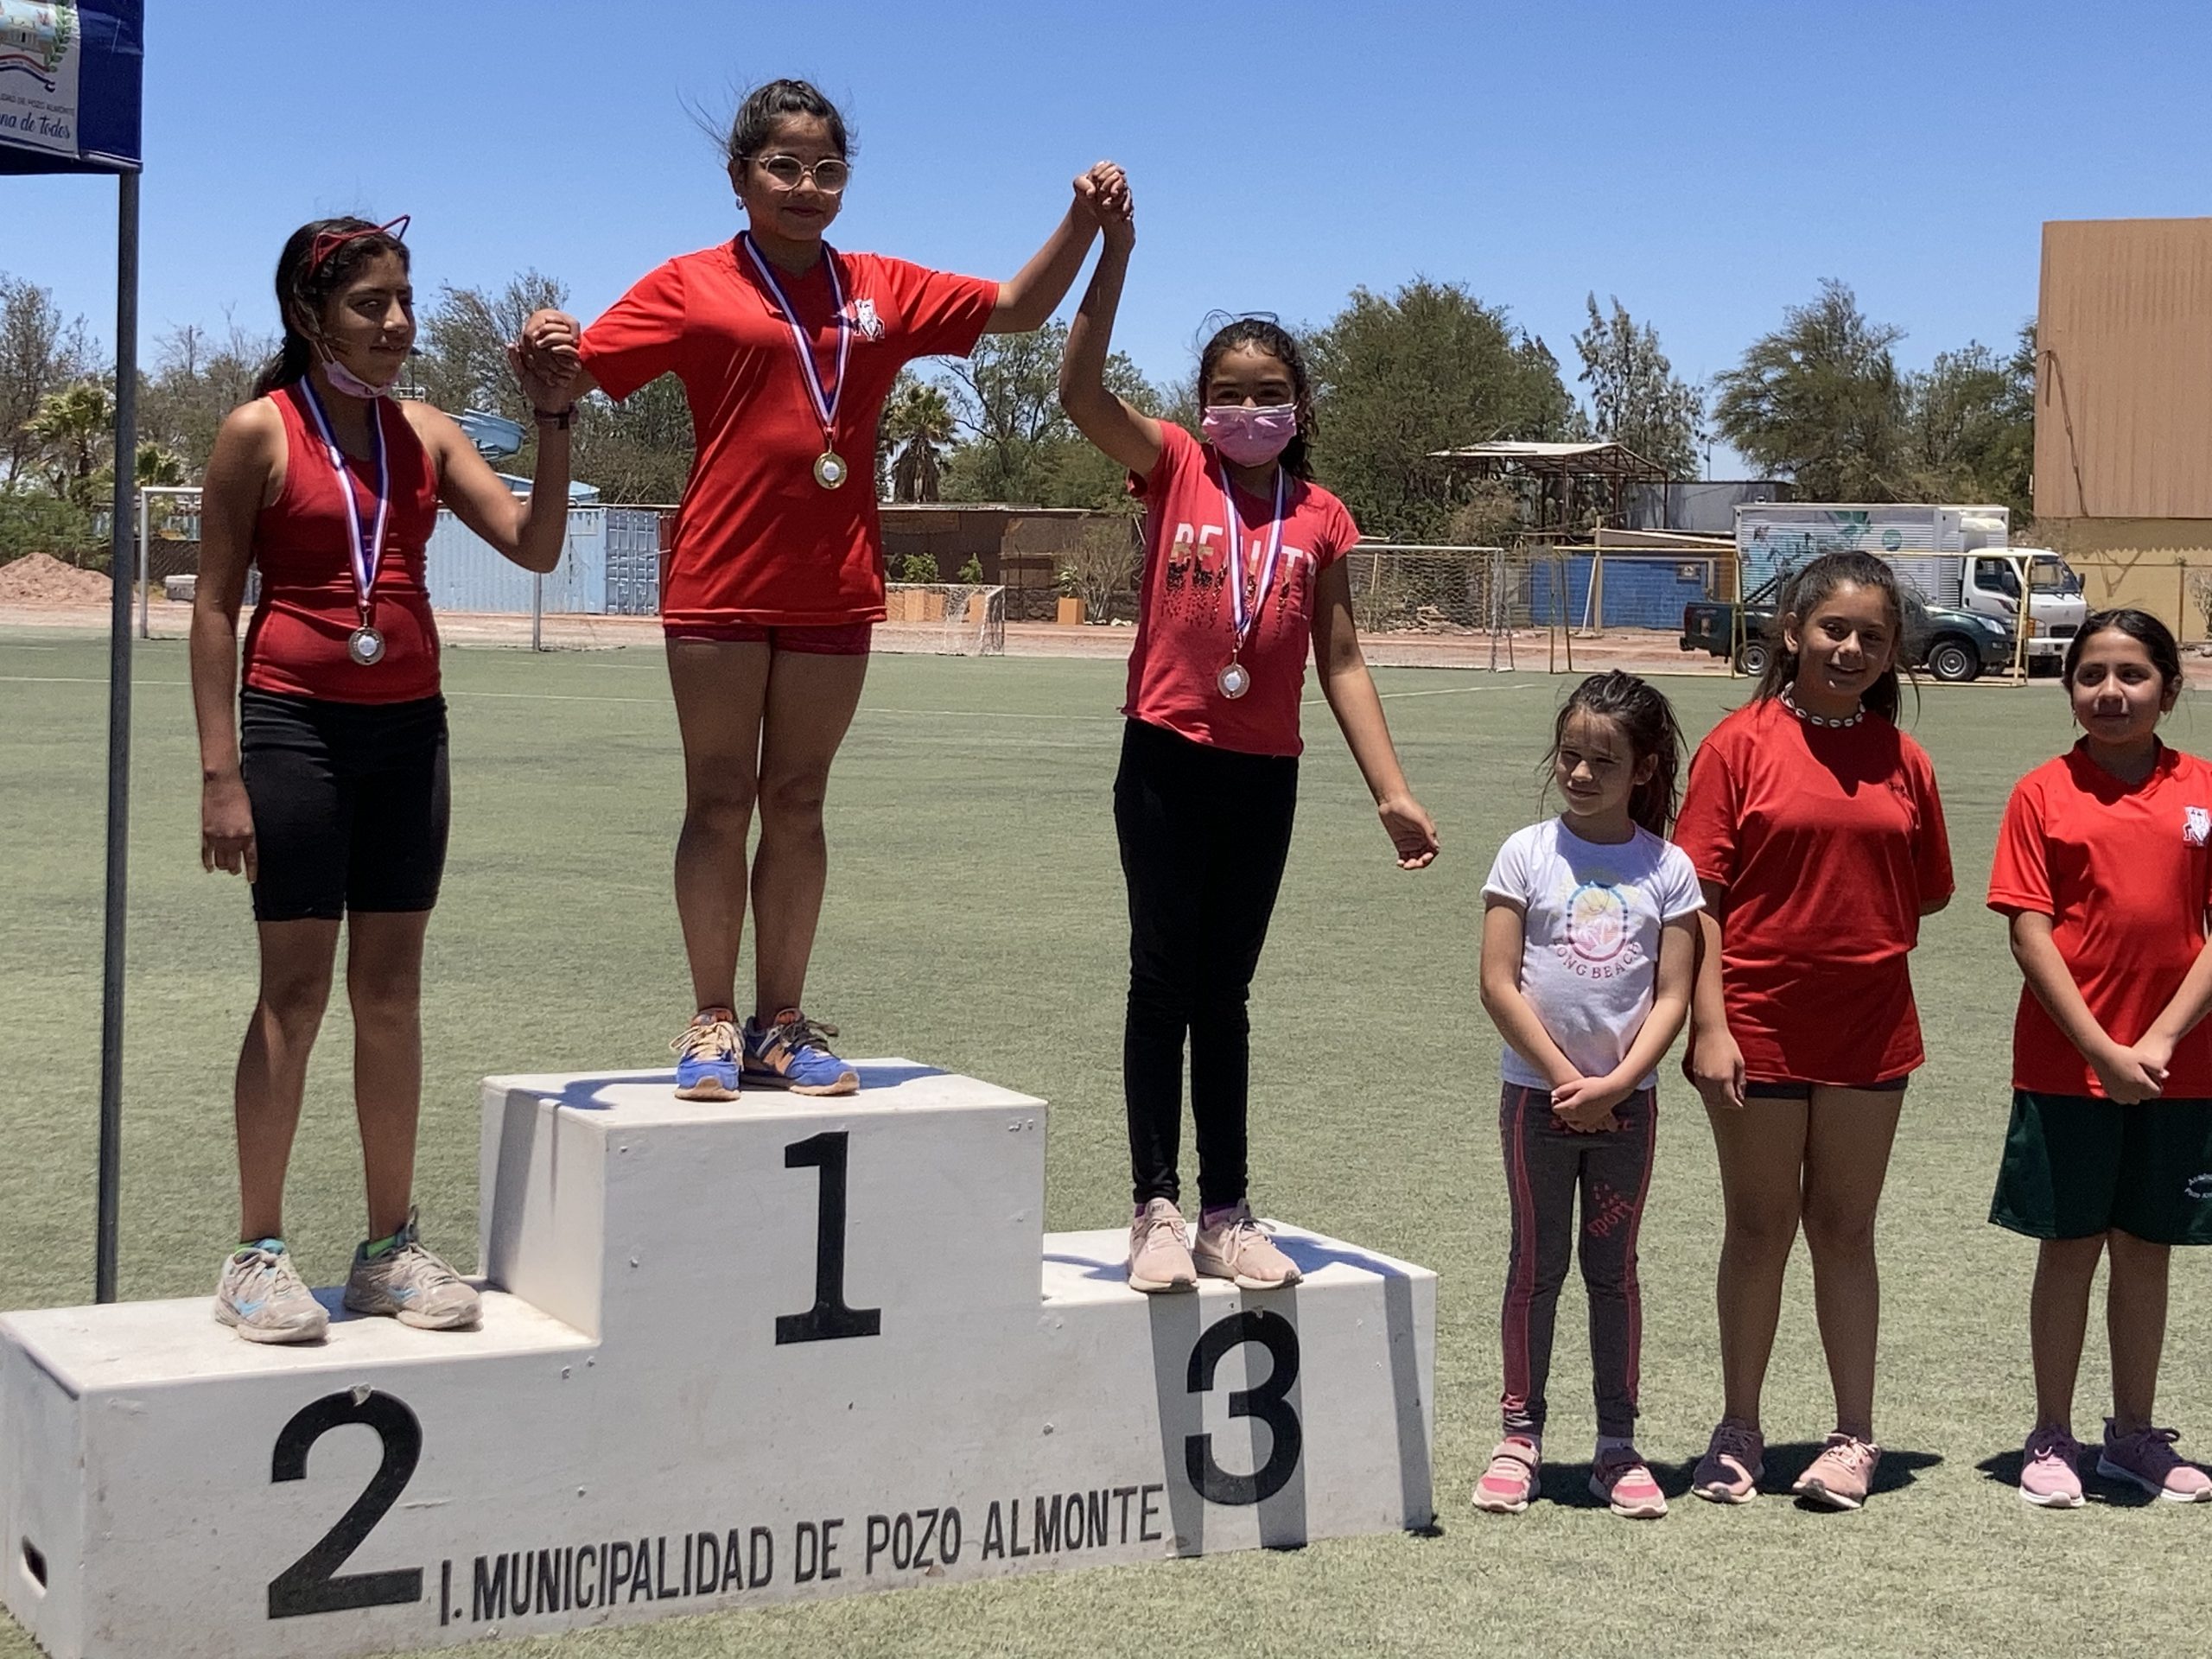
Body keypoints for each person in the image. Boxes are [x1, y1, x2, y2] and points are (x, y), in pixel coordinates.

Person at [518, 79, 1122, 1102]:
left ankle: (781, 1024)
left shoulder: (878, 286)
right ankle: (712, 1019)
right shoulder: (690, 284)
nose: (808, 186)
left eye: (827, 169)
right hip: (719, 573)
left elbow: (1017, 312)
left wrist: (1081, 220)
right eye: (784, 167)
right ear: (741, 177)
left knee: (797, 802)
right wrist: (544, 346)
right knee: (717, 798)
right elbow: (574, 375)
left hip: (832, 584)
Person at [192, 216, 579, 1342]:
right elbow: (214, 606)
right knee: (297, 995)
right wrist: (222, 771)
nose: (398, 322)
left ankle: (387, 1250)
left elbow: (537, 542)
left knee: (392, 997)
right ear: (311, 315)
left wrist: (554, 420)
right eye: (371, 304)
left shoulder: (426, 433)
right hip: (293, 730)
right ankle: (256, 1253)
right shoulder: (256, 435)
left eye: (404, 299)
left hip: (410, 733)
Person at [1055, 175, 1438, 1296]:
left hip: (1265, 776)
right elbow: (1080, 388)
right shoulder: (1175, 465)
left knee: (1226, 994)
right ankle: (1156, 1209)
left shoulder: (1320, 520)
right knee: (1160, 978)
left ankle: (1227, 1209)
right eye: (1228, 391)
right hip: (1166, 759)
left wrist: (1392, 791)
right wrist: (1114, 251)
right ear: (1202, 401)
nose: (1248, 408)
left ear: (1301, 407)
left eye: (1270, 393)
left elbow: (1343, 660)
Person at [1674, 550, 1952, 1510]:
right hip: (1753, 1023)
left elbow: (1921, 896)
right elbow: (1696, 896)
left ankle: (1852, 1437)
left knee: (1845, 1230)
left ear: (1891, 653)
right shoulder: (1737, 745)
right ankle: (1738, 1427)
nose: (1851, 648)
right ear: (1791, 632)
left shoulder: (1904, 759)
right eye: (1834, 629)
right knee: (1757, 1229)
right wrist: (1709, 1024)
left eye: (1872, 637)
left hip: (1870, 1035)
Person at [1987, 609, 2212, 1506]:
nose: (2109, 693)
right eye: (2091, 676)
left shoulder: (2202, 791)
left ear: (2169, 688)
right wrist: (2100, 1048)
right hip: (2065, 1066)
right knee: (2070, 1246)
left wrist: (2155, 1043)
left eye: (2131, 675)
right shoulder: (2041, 793)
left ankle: (2130, 1434)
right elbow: (2029, 932)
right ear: (2068, 686)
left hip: (2179, 1068)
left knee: (2146, 1249)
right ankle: (2051, 1434)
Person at [1472, 672, 1700, 1519]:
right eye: (1569, 755)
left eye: (1603, 760)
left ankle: (1615, 1443)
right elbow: (1498, 983)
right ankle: (1518, 1436)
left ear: (1642, 768)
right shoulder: (1525, 854)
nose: (1580, 773)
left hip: (1624, 1114)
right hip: (1538, 1103)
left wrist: (1614, 1083)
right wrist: (1567, 1081)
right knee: (1535, 1269)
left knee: (1612, 1273)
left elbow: (1672, 994)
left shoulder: (1667, 868)